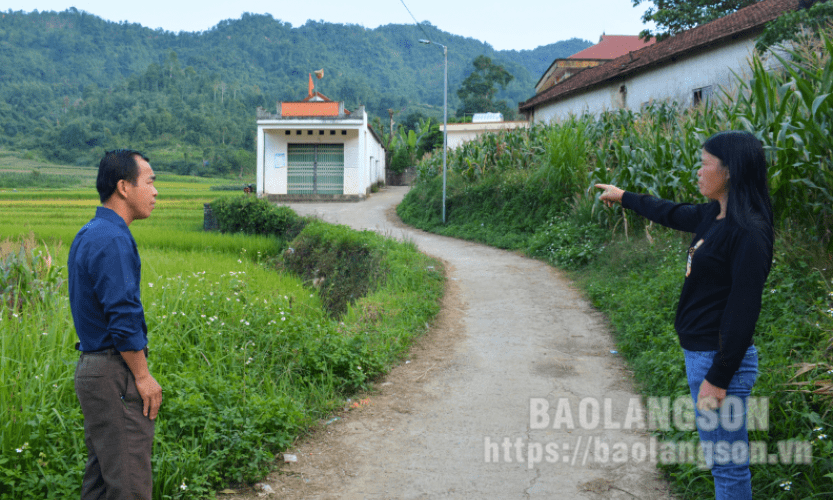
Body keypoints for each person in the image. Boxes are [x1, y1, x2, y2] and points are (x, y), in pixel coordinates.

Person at [595, 130, 773, 500]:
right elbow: (672, 212)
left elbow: (743, 312)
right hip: (702, 356)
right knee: (719, 457)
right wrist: (625, 197)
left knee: (727, 464)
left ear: (730, 171)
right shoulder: (715, 215)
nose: (698, 171)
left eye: (705, 164)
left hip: (718, 362)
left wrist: (719, 378)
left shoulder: (748, 233)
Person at [69, 149, 162, 499]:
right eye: (149, 182)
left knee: (102, 482)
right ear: (124, 187)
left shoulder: (89, 232)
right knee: (129, 484)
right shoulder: (113, 238)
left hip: (93, 370)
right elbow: (122, 316)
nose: (155, 192)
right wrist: (141, 375)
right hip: (114, 372)